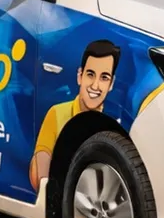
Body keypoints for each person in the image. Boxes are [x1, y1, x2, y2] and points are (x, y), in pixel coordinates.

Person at [27, 39, 120, 189]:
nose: (95, 85)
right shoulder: (57, 113)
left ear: (111, 84)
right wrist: (46, 185)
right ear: (80, 76)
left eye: (104, 78)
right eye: (90, 74)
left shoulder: (115, 125)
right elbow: (41, 156)